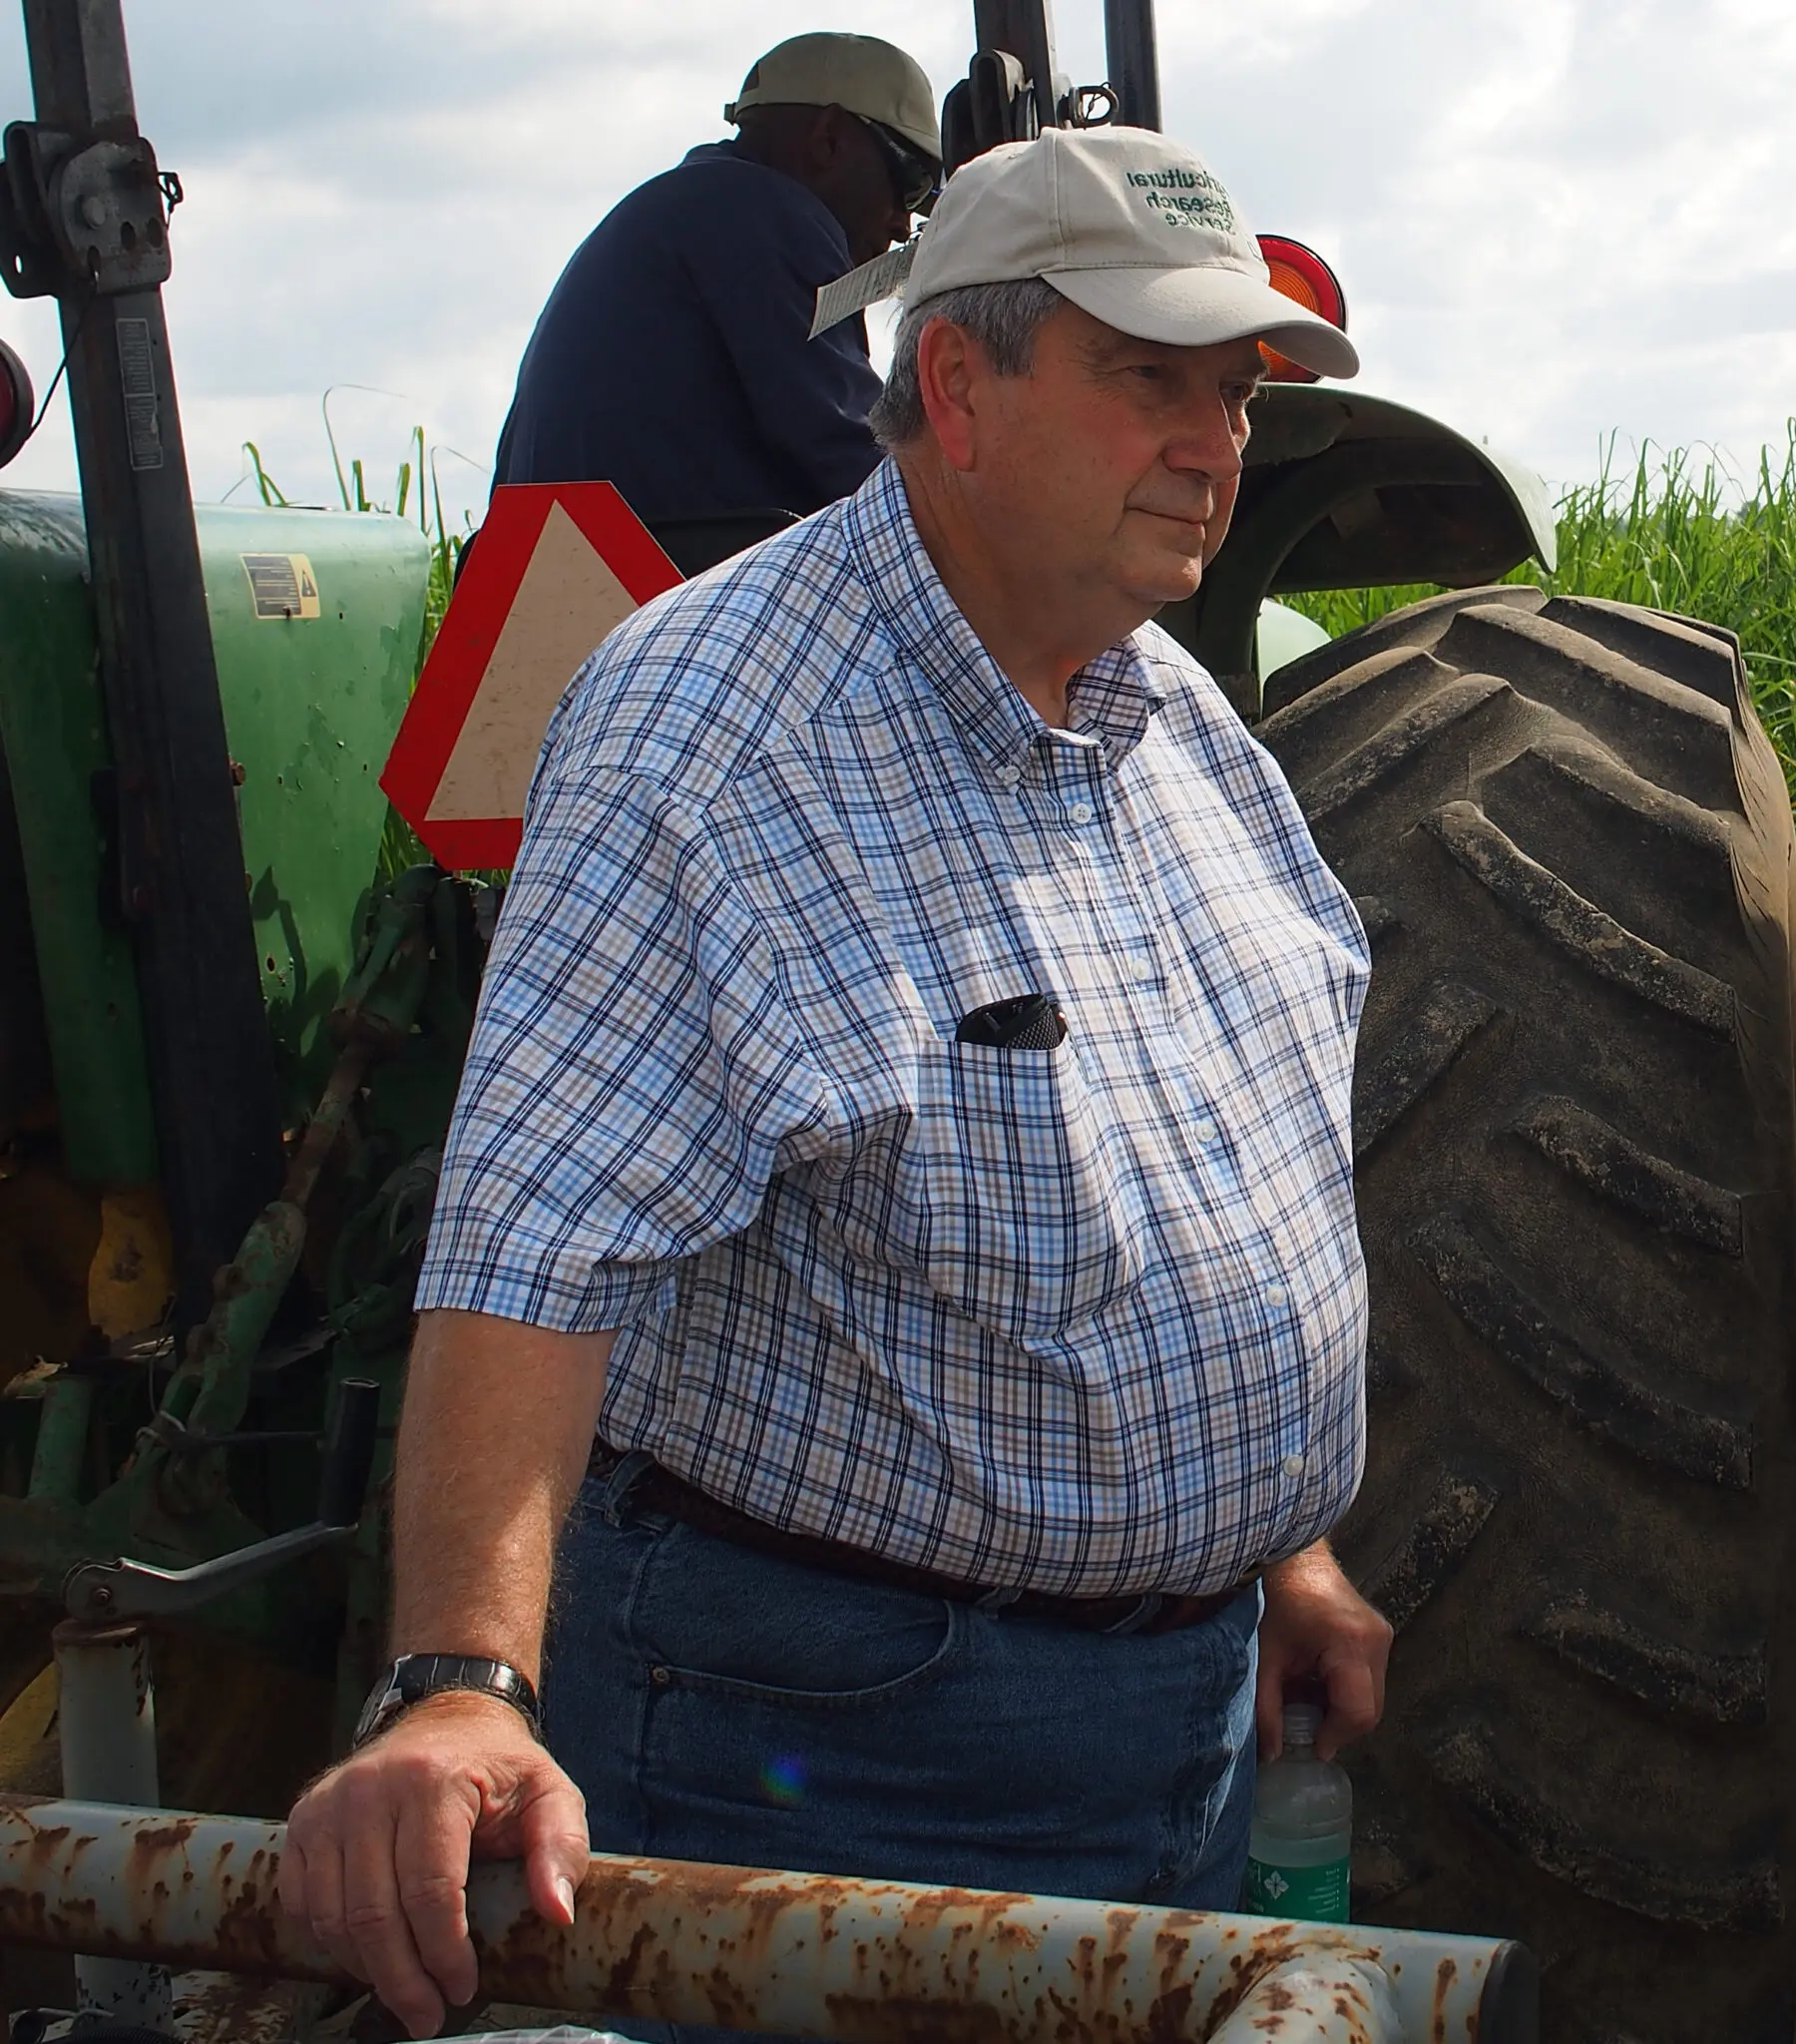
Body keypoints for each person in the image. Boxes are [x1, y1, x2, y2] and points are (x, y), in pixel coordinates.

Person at [283, 125, 1392, 2040]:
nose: (1214, 440)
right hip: (842, 1773)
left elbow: (1217, 1175)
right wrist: (461, 1680)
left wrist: (1272, 1543)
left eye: (1234, 389)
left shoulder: (1180, 719)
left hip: (1199, 1738)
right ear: (956, 384)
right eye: (1148, 374)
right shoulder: (714, 723)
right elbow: (535, 1245)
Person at [489, 32, 942, 526]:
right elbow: (861, 464)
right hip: (660, 568)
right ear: (829, 138)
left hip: (555, 562)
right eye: (910, 182)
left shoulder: (681, 211)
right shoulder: (767, 213)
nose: (902, 225)